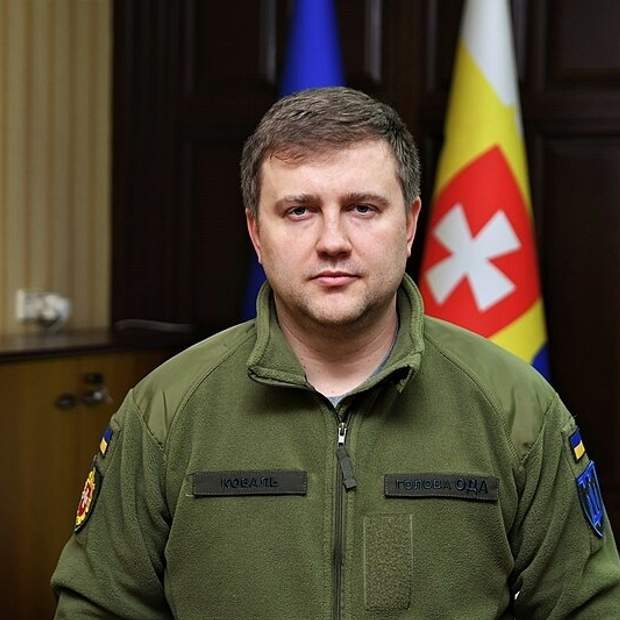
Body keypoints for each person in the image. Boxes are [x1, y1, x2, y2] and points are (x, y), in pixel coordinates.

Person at [52, 87, 620, 618]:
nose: (332, 241)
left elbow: (587, 607)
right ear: (256, 232)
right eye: (299, 210)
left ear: (410, 224)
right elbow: (97, 607)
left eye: (363, 208)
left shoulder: (516, 407)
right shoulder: (166, 410)